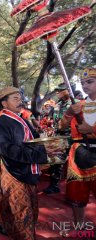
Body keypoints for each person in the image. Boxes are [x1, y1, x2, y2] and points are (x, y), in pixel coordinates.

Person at [0, 86, 55, 239]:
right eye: (15, 99)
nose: (21, 102)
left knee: (20, 205)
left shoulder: (23, 119)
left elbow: (34, 140)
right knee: (22, 211)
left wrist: (47, 147)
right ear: (4, 103)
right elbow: (9, 150)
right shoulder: (0, 123)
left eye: (20, 98)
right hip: (14, 171)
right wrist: (42, 154)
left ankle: (3, 221)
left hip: (28, 169)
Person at [59, 68, 96, 235]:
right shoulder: (78, 106)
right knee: (76, 194)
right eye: (83, 83)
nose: (85, 85)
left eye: (90, 82)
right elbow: (61, 126)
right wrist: (68, 113)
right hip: (78, 155)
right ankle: (79, 225)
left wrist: (92, 129)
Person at [43, 82, 75, 194]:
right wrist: (52, 128)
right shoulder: (57, 104)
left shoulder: (75, 103)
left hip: (72, 137)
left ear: (69, 90)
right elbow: (51, 118)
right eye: (57, 90)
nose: (58, 92)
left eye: (61, 90)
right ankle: (54, 185)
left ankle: (76, 189)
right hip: (58, 136)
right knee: (55, 161)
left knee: (74, 163)